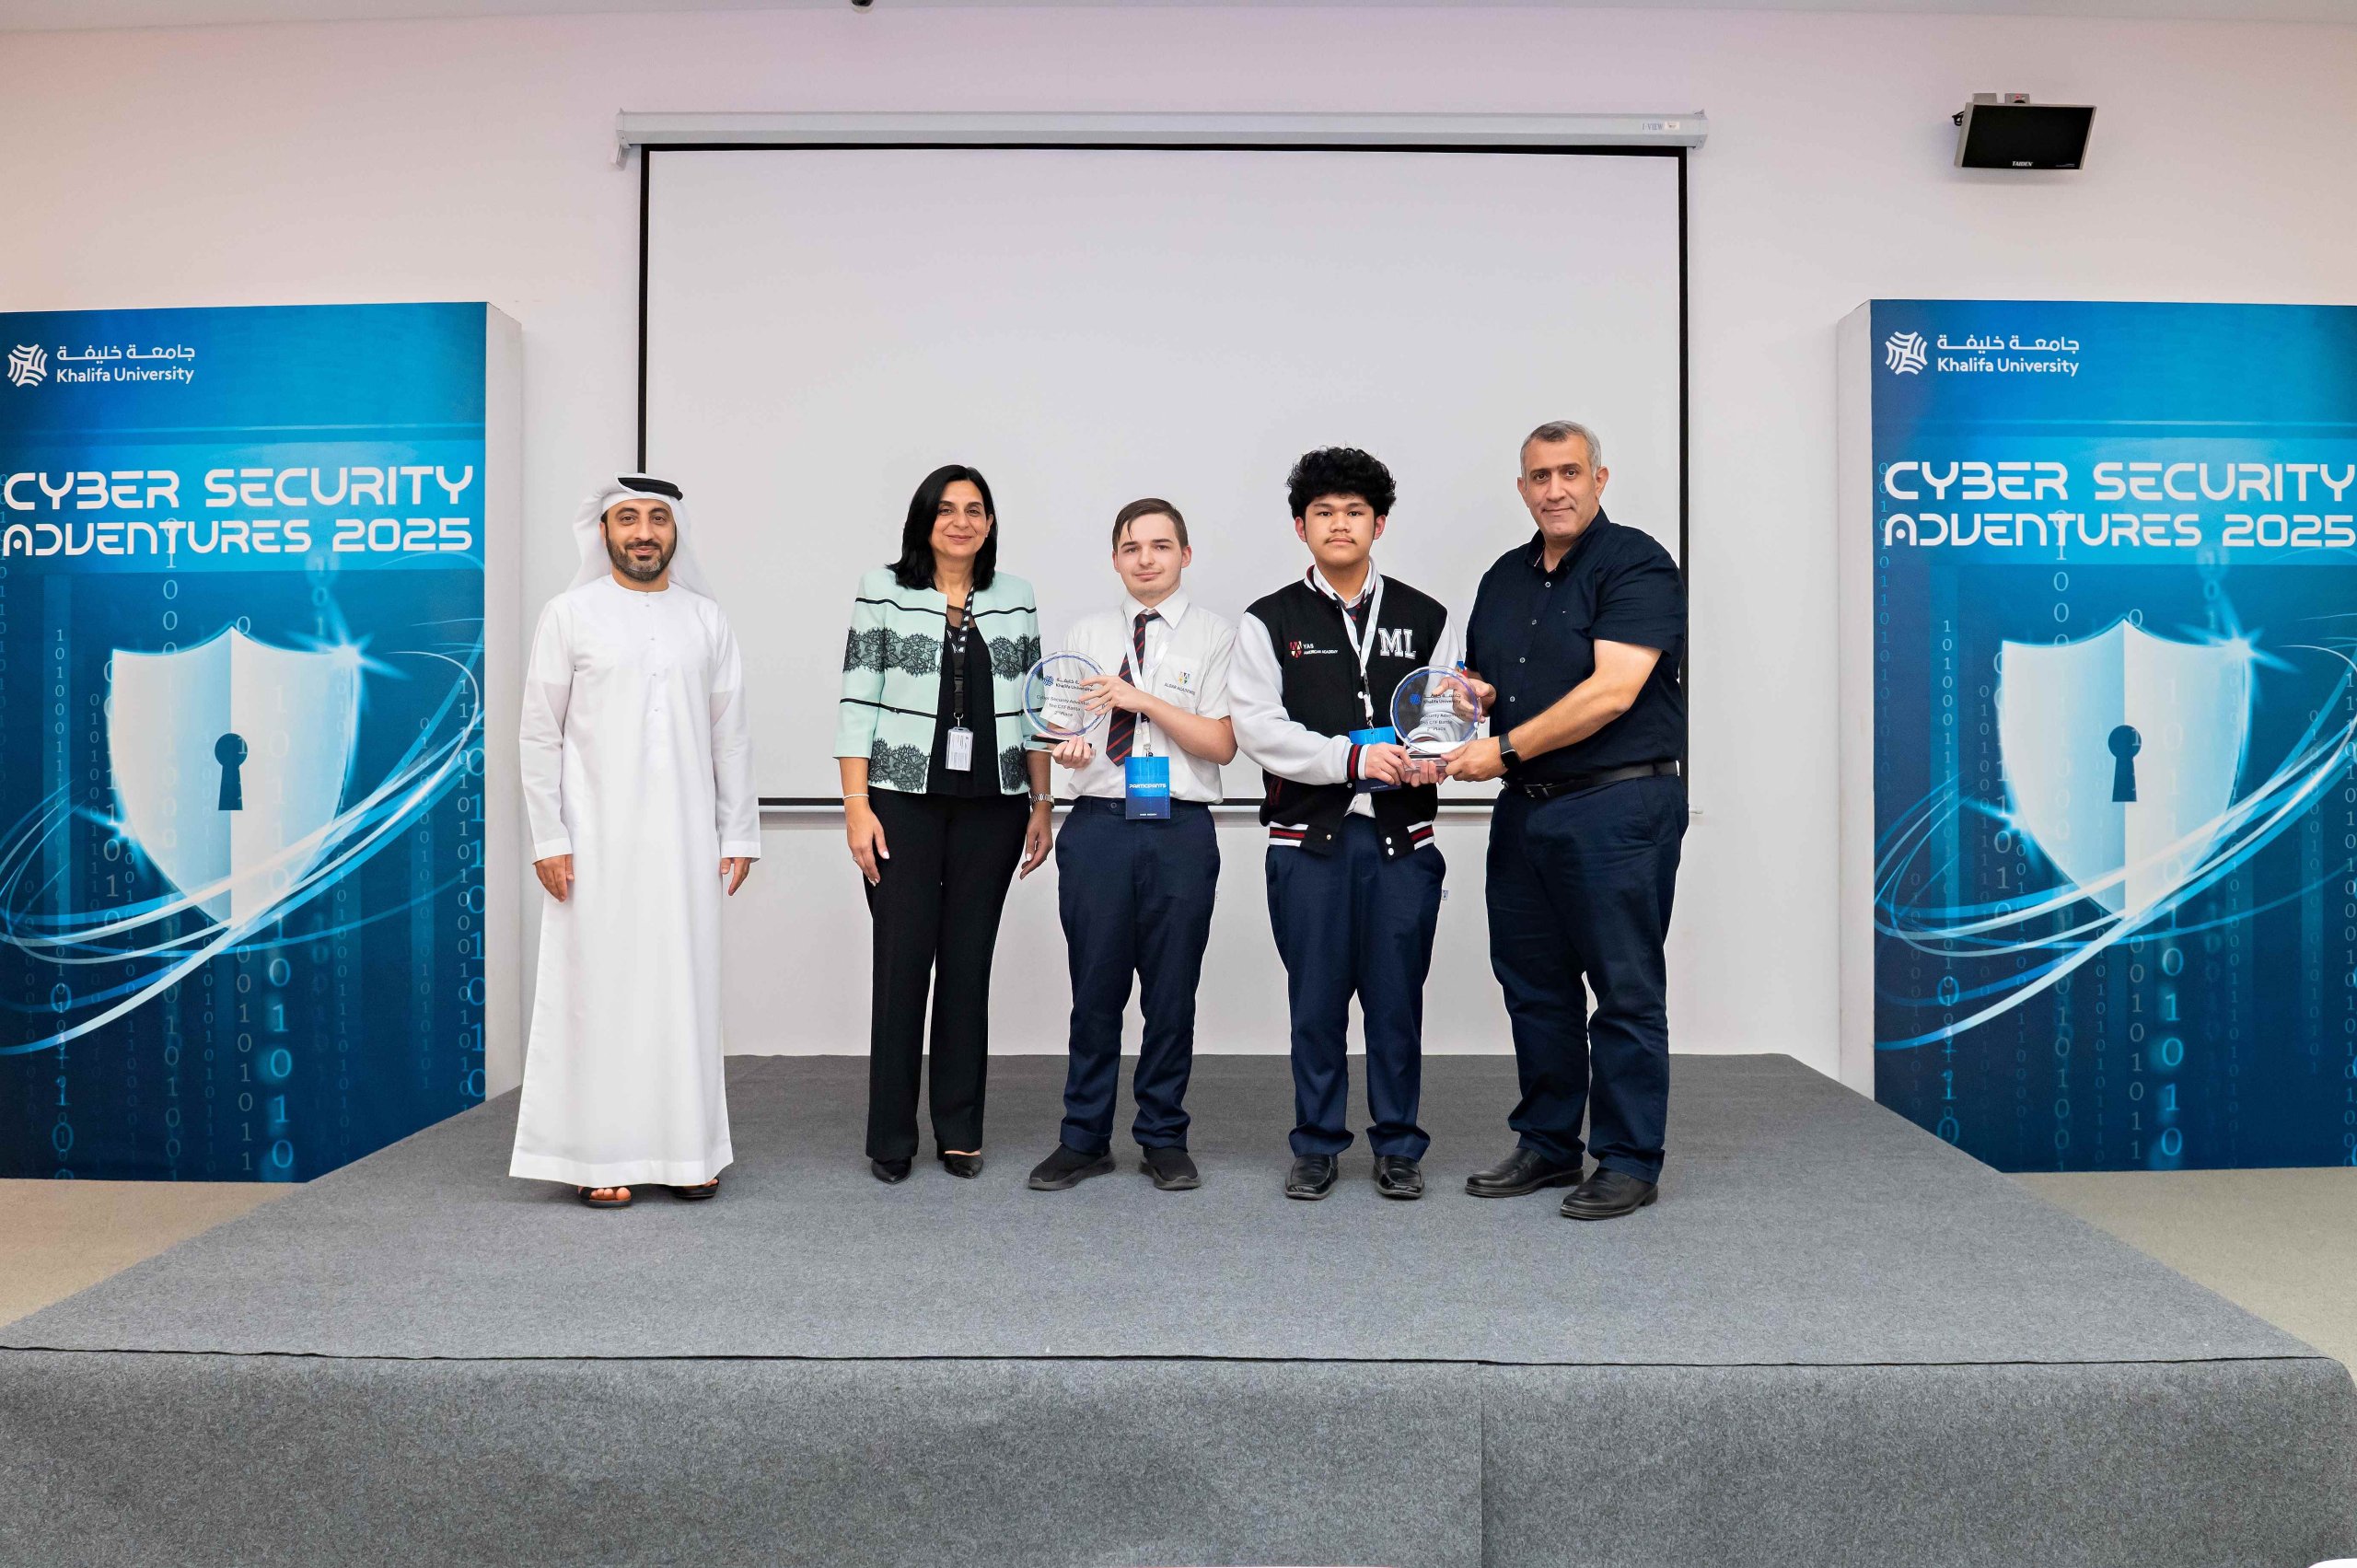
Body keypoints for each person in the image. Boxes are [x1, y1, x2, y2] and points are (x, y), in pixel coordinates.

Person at [1447, 421, 1686, 1221]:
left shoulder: (1637, 563)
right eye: (1540, 476)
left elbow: (1613, 691)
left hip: (1617, 806)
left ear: (1599, 479)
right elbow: (1492, 684)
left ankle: (1628, 1157)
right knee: (1533, 984)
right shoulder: (1502, 578)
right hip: (1527, 810)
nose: (1555, 489)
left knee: (1623, 987)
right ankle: (1549, 1142)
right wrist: (1475, 697)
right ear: (1522, 488)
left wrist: (1504, 748)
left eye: (1570, 472)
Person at [509, 473, 760, 1208]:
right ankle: (596, 1155)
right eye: (628, 519)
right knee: (599, 992)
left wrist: (739, 829)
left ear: (675, 530)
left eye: (657, 518)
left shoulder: (706, 620)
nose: (644, 532)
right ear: (604, 531)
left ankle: (689, 1152)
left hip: (686, 840)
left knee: (683, 990)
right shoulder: (569, 614)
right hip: (593, 841)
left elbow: (730, 734)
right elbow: (538, 733)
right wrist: (548, 837)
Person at [1231, 447, 1458, 1202]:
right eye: (1323, 512)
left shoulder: (1427, 616)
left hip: (1403, 846)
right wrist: (1350, 760)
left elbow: (1445, 715)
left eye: (1355, 511)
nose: (1339, 524)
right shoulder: (1268, 620)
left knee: (1397, 1004)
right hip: (1308, 847)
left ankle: (1398, 1145)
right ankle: (1317, 1144)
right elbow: (1259, 728)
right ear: (1300, 526)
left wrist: (1434, 756)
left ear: (1379, 524)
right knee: (1316, 1004)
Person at [835, 464, 1052, 1184]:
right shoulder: (882, 589)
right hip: (901, 800)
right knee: (902, 966)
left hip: (994, 803)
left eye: (976, 509)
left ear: (989, 523)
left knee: (967, 966)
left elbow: (1036, 707)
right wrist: (856, 806)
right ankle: (891, 1136)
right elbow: (856, 701)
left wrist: (1042, 801)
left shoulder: (1015, 596)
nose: (962, 521)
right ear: (924, 520)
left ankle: (960, 1129)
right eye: (947, 509)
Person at [1026, 499, 1237, 1195]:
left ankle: (1164, 1137)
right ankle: (1083, 1138)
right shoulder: (1086, 632)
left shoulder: (1215, 635)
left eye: (1161, 545)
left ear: (1185, 554)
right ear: (1115, 558)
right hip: (1099, 826)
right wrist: (1068, 748)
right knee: (1095, 989)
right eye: (1131, 547)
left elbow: (1220, 743)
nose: (1146, 559)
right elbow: (1058, 733)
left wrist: (1139, 698)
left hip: (1180, 828)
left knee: (1171, 992)